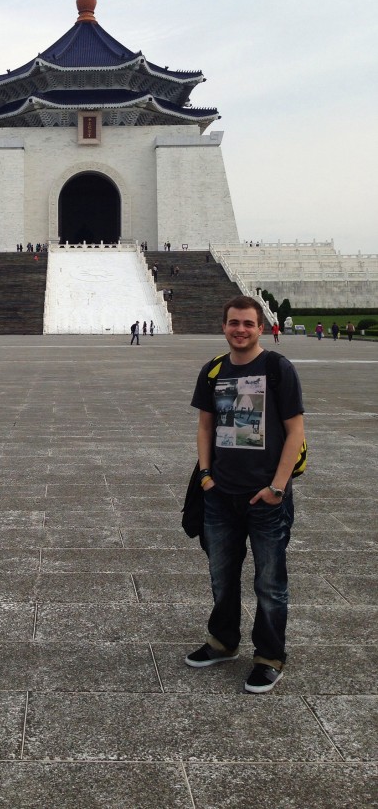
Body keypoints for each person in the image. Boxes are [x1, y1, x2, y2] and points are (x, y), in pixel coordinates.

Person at [186, 295, 305, 694]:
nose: (240, 330)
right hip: (220, 493)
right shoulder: (213, 370)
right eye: (233, 323)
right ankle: (223, 641)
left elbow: (296, 432)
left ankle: (270, 657)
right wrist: (205, 477)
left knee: (270, 582)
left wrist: (277, 487)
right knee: (221, 576)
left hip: (265, 497)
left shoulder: (277, 368)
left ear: (261, 328)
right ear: (224, 326)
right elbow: (205, 427)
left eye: (247, 324)